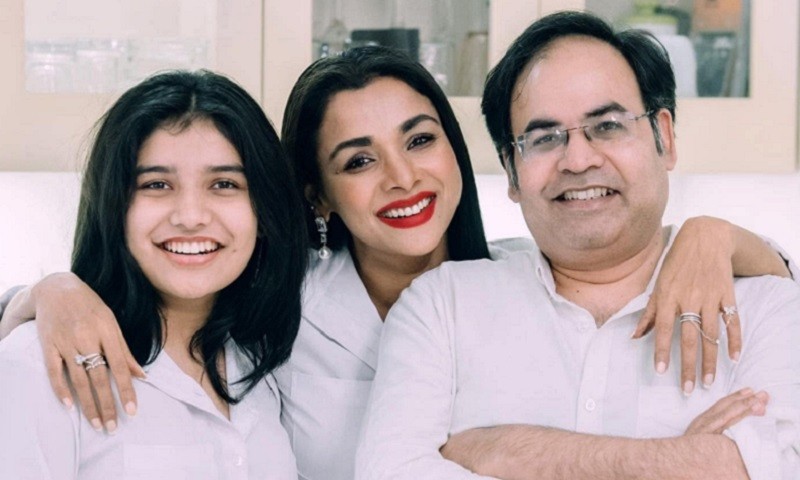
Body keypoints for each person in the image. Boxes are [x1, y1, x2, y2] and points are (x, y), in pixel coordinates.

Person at [0, 47, 794, 480]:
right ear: (316, 193)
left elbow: (747, 286)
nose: (403, 177)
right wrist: (53, 290)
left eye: (420, 140)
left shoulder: (535, 276)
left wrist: (713, 235)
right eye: (358, 160)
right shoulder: (272, 309)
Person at [355, 14, 800, 480]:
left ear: (664, 138)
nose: (579, 159)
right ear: (511, 171)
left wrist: (512, 452)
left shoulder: (766, 307)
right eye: (544, 138)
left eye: (607, 126)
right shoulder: (441, 307)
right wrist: (686, 461)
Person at [0, 70, 307, 479]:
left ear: (264, 213)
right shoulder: (37, 366)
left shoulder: (262, 362)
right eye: (157, 184)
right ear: (115, 209)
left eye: (224, 184)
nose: (191, 217)